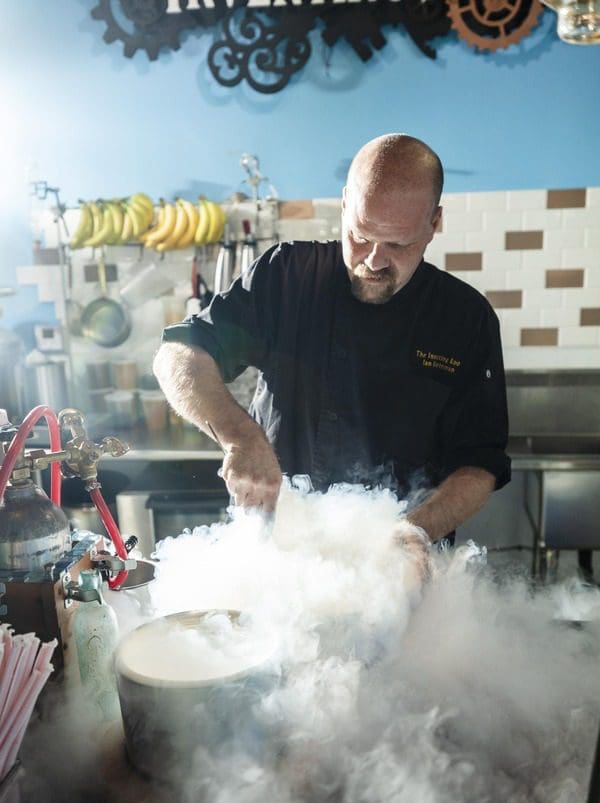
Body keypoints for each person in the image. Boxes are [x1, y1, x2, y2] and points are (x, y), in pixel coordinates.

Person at [153, 133, 510, 555]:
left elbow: (479, 463)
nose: (373, 260)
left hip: (403, 566)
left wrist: (412, 534)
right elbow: (179, 353)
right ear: (344, 205)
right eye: (360, 236)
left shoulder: (465, 317)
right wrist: (240, 437)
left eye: (397, 244)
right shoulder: (287, 277)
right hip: (282, 552)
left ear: (434, 224)